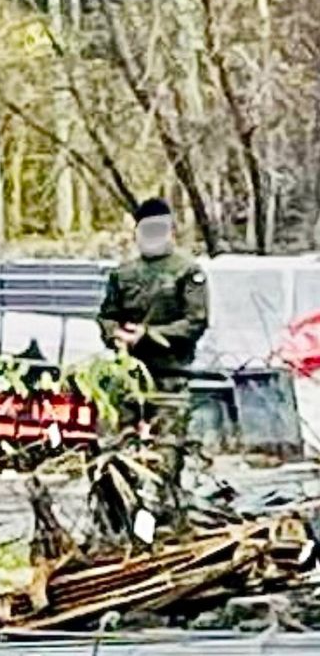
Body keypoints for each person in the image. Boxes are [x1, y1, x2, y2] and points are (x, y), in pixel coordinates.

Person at [96, 198, 209, 502]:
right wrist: (115, 335)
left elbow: (195, 322)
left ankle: (165, 515)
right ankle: (117, 515)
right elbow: (107, 316)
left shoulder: (187, 271)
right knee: (114, 450)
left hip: (171, 375)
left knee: (167, 451)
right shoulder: (124, 275)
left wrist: (149, 336)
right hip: (129, 376)